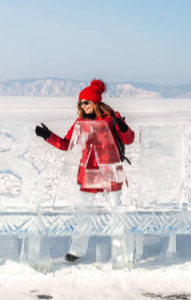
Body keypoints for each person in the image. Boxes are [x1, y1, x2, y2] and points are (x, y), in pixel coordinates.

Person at [35, 79, 134, 262]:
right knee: (82, 212)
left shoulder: (111, 118)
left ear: (95, 102)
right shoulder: (80, 122)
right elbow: (66, 144)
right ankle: (77, 250)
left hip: (110, 172)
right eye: (80, 103)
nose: (82, 105)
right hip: (88, 175)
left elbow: (129, 139)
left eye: (86, 102)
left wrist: (122, 127)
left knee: (116, 210)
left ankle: (121, 250)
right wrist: (48, 135)